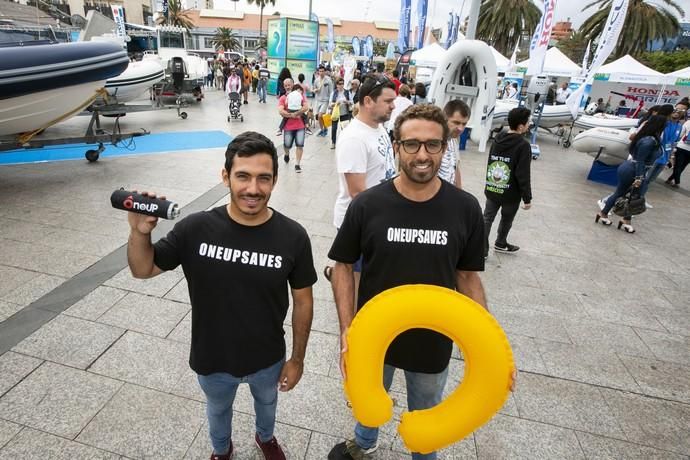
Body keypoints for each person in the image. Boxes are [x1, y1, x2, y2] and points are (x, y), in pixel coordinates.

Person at [125, 132, 317, 460]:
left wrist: (297, 359)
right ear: (225, 176)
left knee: (267, 404)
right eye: (242, 176)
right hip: (212, 359)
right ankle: (221, 448)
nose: (253, 189)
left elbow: (303, 301)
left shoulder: (293, 237)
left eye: (263, 178)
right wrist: (138, 232)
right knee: (217, 409)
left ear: (274, 181)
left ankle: (265, 437)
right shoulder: (195, 229)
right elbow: (143, 269)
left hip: (268, 358)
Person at [327, 104, 495, 460]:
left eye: (433, 145)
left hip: (432, 340)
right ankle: (365, 441)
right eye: (412, 144)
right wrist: (346, 329)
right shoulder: (368, 205)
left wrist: (489, 348)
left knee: (426, 417)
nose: (422, 155)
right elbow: (342, 266)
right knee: (367, 402)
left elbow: (467, 276)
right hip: (374, 336)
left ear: (445, 148)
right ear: (396, 145)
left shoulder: (465, 209)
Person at [323, 74, 397, 283]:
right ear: (367, 101)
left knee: (368, 274)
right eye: (388, 101)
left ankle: (336, 272)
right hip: (359, 222)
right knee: (356, 281)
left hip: (378, 216)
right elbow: (358, 193)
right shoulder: (355, 138)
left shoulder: (379, 127)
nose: (393, 106)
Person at [596, 115, 666, 233]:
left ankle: (621, 219)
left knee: (633, 196)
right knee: (623, 193)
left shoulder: (649, 138)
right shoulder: (649, 141)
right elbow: (640, 160)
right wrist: (639, 177)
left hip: (635, 169)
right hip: (633, 170)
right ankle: (605, 214)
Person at [483, 107, 533, 256]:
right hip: (511, 193)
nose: (529, 124)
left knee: (487, 218)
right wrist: (527, 198)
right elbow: (523, 173)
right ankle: (500, 242)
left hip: (493, 186)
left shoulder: (497, 139)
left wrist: (489, 183)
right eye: (528, 122)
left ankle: (481, 250)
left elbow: (491, 162)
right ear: (520, 126)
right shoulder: (523, 145)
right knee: (507, 219)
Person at [438, 99, 471, 188]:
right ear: (444, 118)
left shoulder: (454, 139)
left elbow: (456, 168)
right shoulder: (433, 141)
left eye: (464, 124)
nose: (460, 128)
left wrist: (459, 193)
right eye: (456, 123)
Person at [278, 78, 308, 172]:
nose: (287, 87)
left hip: (300, 126)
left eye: (289, 85)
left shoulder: (300, 95)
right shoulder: (283, 98)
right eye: (285, 85)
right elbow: (280, 111)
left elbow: (306, 107)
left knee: (300, 145)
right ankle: (287, 154)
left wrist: (297, 113)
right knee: (287, 145)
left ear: (293, 85)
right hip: (288, 127)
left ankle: (297, 164)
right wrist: (291, 115)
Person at [329, 77, 354, 149]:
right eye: (339, 84)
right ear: (336, 85)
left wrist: (347, 102)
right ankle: (333, 142)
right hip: (335, 113)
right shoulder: (334, 92)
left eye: (342, 84)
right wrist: (336, 103)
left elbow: (352, 102)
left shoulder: (347, 92)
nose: (341, 85)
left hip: (344, 112)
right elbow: (330, 104)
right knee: (334, 128)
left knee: (344, 129)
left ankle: (345, 143)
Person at [314, 65, 334, 137]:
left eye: (322, 71)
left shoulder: (328, 80)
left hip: (326, 100)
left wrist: (330, 103)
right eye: (320, 71)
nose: (321, 73)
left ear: (325, 72)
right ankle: (323, 129)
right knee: (320, 116)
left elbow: (331, 92)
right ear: (318, 72)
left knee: (320, 116)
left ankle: (323, 130)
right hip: (318, 100)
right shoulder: (316, 80)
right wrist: (315, 90)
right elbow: (314, 89)